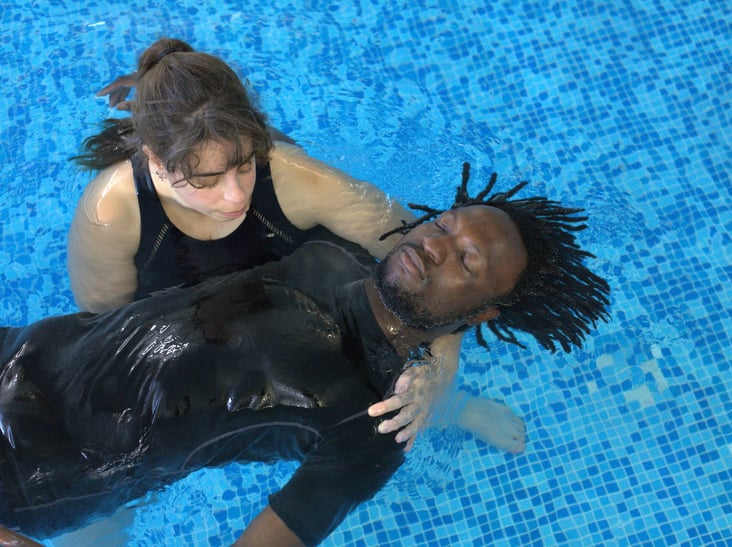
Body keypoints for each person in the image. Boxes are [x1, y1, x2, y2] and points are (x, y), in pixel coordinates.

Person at [1, 167, 609, 546]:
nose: (433, 246)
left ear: (482, 316)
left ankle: (457, 409)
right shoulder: (334, 250)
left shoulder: (374, 428)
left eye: (467, 261)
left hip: (28, 475)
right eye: (444, 225)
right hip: (18, 352)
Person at [68, 37, 463, 447]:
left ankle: (462, 412)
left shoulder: (295, 178)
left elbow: (431, 261)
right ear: (155, 161)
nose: (236, 196)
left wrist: (440, 371)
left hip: (297, 298)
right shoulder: (112, 212)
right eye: (207, 180)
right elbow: (104, 338)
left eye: (244, 165)